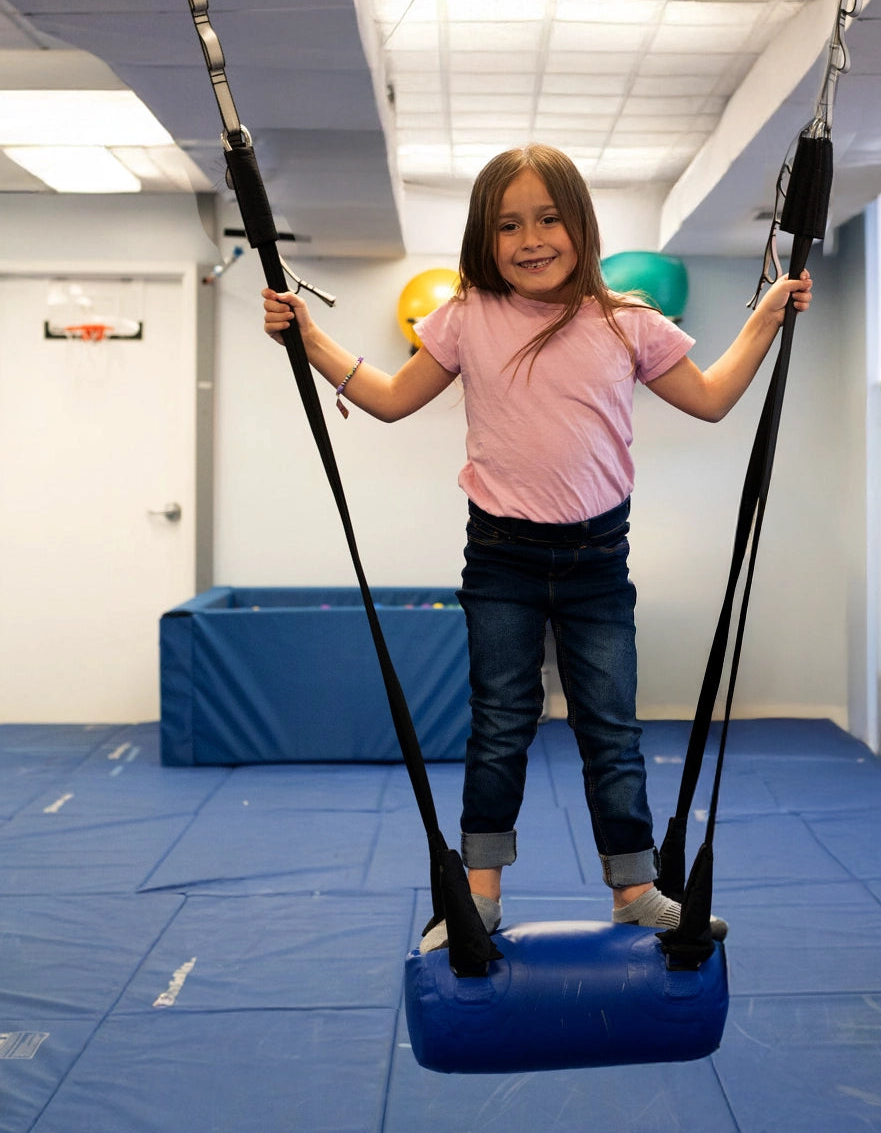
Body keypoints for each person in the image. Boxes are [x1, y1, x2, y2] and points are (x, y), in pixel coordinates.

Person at [263, 143, 812, 952]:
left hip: (598, 559)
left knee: (611, 729)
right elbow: (387, 398)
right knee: (500, 723)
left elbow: (711, 398)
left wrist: (764, 318)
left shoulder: (626, 320)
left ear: (579, 225)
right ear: (484, 240)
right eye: (507, 224)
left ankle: (633, 887)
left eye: (547, 219)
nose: (529, 239)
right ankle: (478, 896)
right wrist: (308, 337)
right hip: (501, 556)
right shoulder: (465, 318)